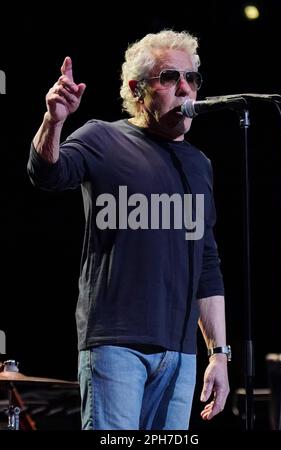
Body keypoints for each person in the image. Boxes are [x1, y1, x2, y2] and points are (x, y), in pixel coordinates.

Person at [27, 29, 230, 430]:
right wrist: (54, 121)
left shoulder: (199, 164)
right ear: (138, 90)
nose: (185, 88)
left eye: (191, 78)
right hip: (116, 343)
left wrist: (219, 354)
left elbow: (207, 263)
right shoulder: (103, 138)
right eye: (170, 78)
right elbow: (46, 174)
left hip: (180, 352)